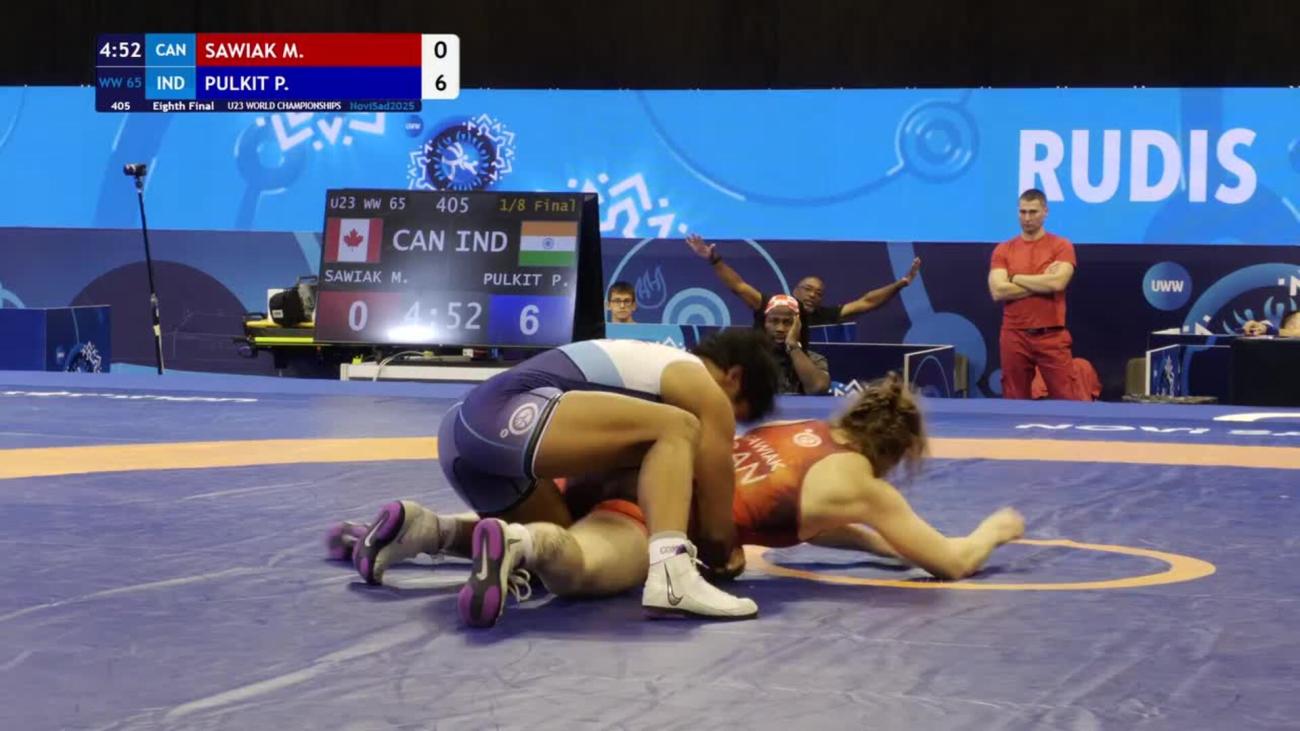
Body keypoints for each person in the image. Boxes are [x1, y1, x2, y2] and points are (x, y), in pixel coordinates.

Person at [330, 375, 1025, 624]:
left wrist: (877, 549)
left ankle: (424, 528)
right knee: (577, 568)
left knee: (563, 519)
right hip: (650, 511)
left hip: (615, 469)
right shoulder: (862, 487)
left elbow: (814, 522)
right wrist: (996, 528)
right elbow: (951, 561)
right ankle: (519, 543)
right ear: (894, 455)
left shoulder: (797, 432)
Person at [351, 328, 780, 626]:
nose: (727, 429)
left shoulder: (646, 378)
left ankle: (427, 531)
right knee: (679, 429)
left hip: (466, 438)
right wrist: (724, 554)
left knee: (555, 542)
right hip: (507, 413)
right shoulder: (698, 381)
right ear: (734, 377)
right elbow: (717, 513)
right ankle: (673, 577)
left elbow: (588, 485)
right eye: (736, 416)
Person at [685, 233, 922, 348]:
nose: (813, 295)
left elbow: (867, 302)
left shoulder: (825, 315)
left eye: (818, 293)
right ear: (795, 291)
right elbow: (738, 286)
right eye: (808, 289)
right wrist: (714, 259)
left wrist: (901, 283)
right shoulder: (771, 305)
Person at [987, 189, 1082, 400]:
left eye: (1033, 212)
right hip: (1014, 335)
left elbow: (1058, 283)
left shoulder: (1061, 246)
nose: (1027, 218)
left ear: (1045, 212)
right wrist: (1042, 281)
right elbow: (998, 291)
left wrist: (1014, 277)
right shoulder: (1003, 250)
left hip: (1052, 335)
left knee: (1067, 400)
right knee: (1014, 401)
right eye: (1022, 212)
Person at [763, 294, 830, 394]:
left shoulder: (814, 359)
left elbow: (818, 388)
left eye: (787, 322)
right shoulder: (751, 358)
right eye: (774, 321)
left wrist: (793, 346)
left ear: (798, 325)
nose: (780, 329)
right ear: (765, 323)